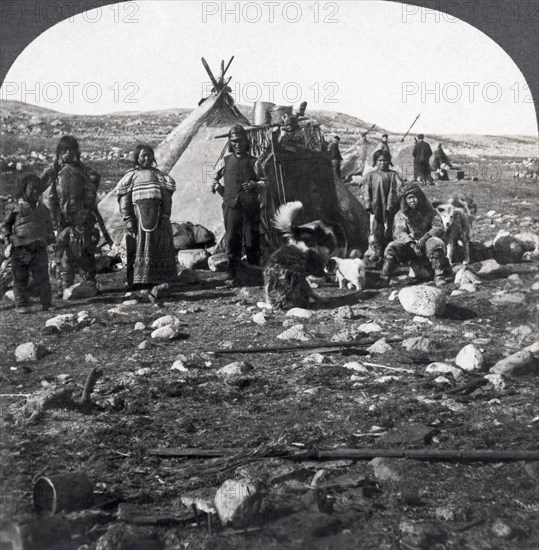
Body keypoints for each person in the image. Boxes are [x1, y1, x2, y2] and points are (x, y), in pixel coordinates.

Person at [210, 125, 268, 286]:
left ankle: (255, 274)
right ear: (230, 142)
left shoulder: (254, 162)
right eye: (234, 141)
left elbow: (265, 181)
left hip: (250, 205)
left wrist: (255, 185)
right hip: (231, 205)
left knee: (252, 239)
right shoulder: (225, 161)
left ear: (245, 141)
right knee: (232, 239)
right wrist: (218, 188)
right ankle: (233, 273)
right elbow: (212, 177)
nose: (237, 144)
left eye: (240, 140)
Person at [43, 136, 100, 293]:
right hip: (63, 219)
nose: (68, 153)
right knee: (65, 254)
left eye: (71, 150)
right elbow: (49, 196)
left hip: (82, 217)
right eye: (64, 150)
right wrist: (54, 219)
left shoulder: (81, 169)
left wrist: (86, 210)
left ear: (76, 151)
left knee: (85, 251)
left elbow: (94, 182)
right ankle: (65, 286)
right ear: (59, 153)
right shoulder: (55, 171)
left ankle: (89, 283)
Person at [116, 144, 177, 288]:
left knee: (159, 247)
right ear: (137, 158)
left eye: (149, 155)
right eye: (143, 155)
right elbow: (125, 200)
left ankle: (159, 280)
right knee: (138, 248)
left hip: (158, 219)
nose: (147, 158)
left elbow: (167, 200)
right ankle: (139, 281)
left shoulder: (160, 176)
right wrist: (128, 219)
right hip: (138, 220)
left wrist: (165, 217)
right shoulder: (131, 177)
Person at [381, 183, 453, 287]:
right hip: (410, 248)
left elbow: (439, 227)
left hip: (427, 245)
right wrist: (411, 243)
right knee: (392, 247)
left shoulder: (430, 212)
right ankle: (384, 278)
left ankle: (439, 276)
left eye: (416, 197)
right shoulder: (401, 215)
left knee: (436, 243)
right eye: (410, 198)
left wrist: (426, 237)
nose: (413, 201)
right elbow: (399, 232)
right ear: (405, 200)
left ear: (421, 197)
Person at [2, 174, 56, 312]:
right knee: (20, 279)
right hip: (20, 248)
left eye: (38, 190)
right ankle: (21, 305)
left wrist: (50, 239)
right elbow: (6, 225)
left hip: (38, 247)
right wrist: (8, 238)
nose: (35, 192)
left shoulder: (43, 208)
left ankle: (47, 303)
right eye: (32, 189)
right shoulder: (15, 206)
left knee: (43, 278)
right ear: (23, 189)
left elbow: (49, 225)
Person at [363, 150, 403, 267]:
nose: (382, 163)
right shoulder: (370, 175)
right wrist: (367, 204)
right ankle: (379, 253)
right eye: (380, 160)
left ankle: (391, 253)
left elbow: (401, 188)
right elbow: (365, 190)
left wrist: (395, 203)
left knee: (390, 228)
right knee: (376, 229)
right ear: (375, 162)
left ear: (389, 161)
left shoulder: (393, 175)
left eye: (385, 160)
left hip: (391, 207)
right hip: (376, 206)